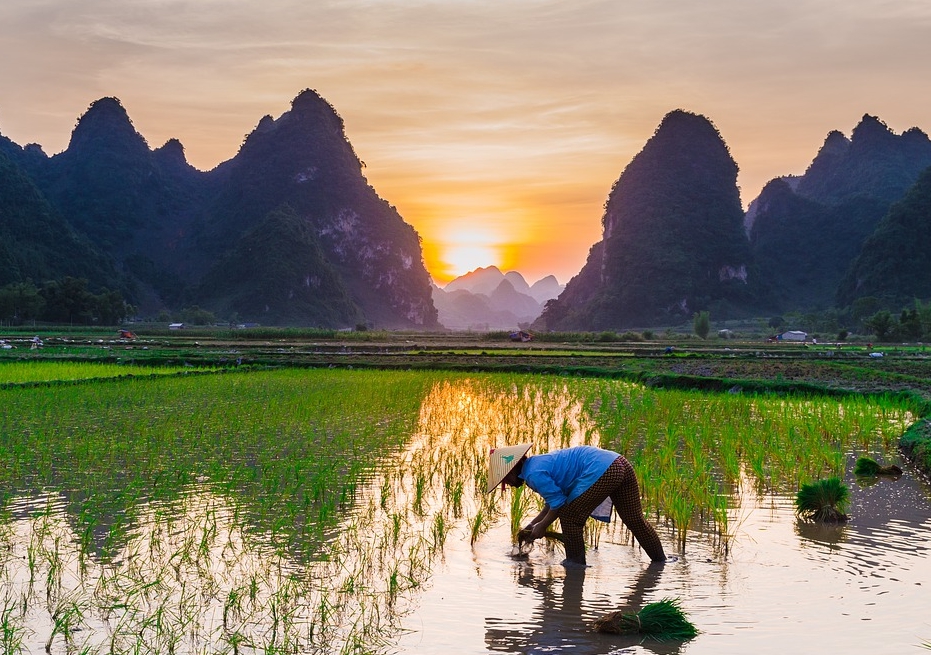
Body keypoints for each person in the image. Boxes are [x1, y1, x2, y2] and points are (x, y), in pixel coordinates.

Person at [487, 443, 665, 565]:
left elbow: (558, 504)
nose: (508, 485)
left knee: (570, 518)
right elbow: (551, 503)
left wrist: (543, 526)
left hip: (603, 470)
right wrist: (533, 524)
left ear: (511, 471)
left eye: (505, 480)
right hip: (619, 463)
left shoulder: (533, 474)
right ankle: (660, 562)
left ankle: (575, 566)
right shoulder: (536, 464)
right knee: (635, 520)